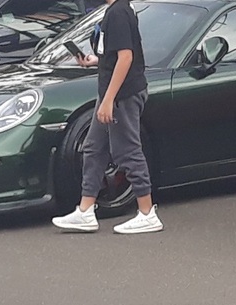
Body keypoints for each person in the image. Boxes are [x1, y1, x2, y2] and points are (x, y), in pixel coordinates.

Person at [53, 0, 159, 234]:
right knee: (94, 147)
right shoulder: (119, 9)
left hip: (123, 94)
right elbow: (118, 55)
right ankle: (85, 211)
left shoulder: (119, 12)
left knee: (127, 150)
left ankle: (147, 213)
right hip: (114, 92)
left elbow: (126, 58)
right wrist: (95, 61)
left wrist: (109, 99)